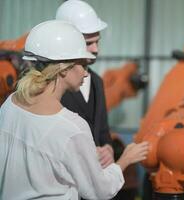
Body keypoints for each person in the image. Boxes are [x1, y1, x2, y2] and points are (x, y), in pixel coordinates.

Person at [0, 20, 149, 200]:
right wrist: (124, 160)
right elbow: (99, 191)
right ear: (63, 69)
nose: (86, 73)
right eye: (83, 65)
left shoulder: (10, 105)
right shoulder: (72, 128)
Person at [56, 0, 114, 169]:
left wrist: (108, 148)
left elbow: (102, 129)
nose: (95, 49)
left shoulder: (97, 81)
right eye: (88, 43)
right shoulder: (51, 84)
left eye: (97, 41)